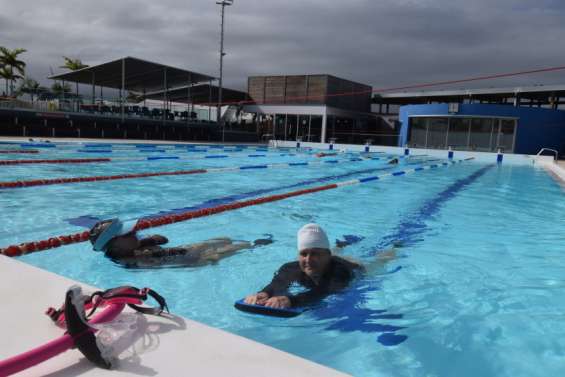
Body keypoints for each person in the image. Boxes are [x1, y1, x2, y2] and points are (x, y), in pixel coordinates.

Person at [244, 223, 365, 309]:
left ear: (328, 256)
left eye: (315, 254)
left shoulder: (339, 272)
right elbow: (277, 283)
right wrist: (264, 293)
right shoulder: (290, 268)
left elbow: (325, 291)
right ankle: (339, 246)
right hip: (327, 257)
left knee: (376, 260)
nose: (308, 259)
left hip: (355, 266)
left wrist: (292, 301)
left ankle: (384, 255)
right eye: (303, 254)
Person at [89, 218, 273, 268]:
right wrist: (199, 256)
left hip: (180, 252)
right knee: (226, 249)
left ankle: (245, 243)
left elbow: (164, 240)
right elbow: (171, 261)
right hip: (192, 260)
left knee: (222, 238)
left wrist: (146, 241)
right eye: (129, 233)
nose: (135, 232)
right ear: (115, 244)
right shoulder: (127, 261)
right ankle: (253, 245)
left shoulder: (128, 248)